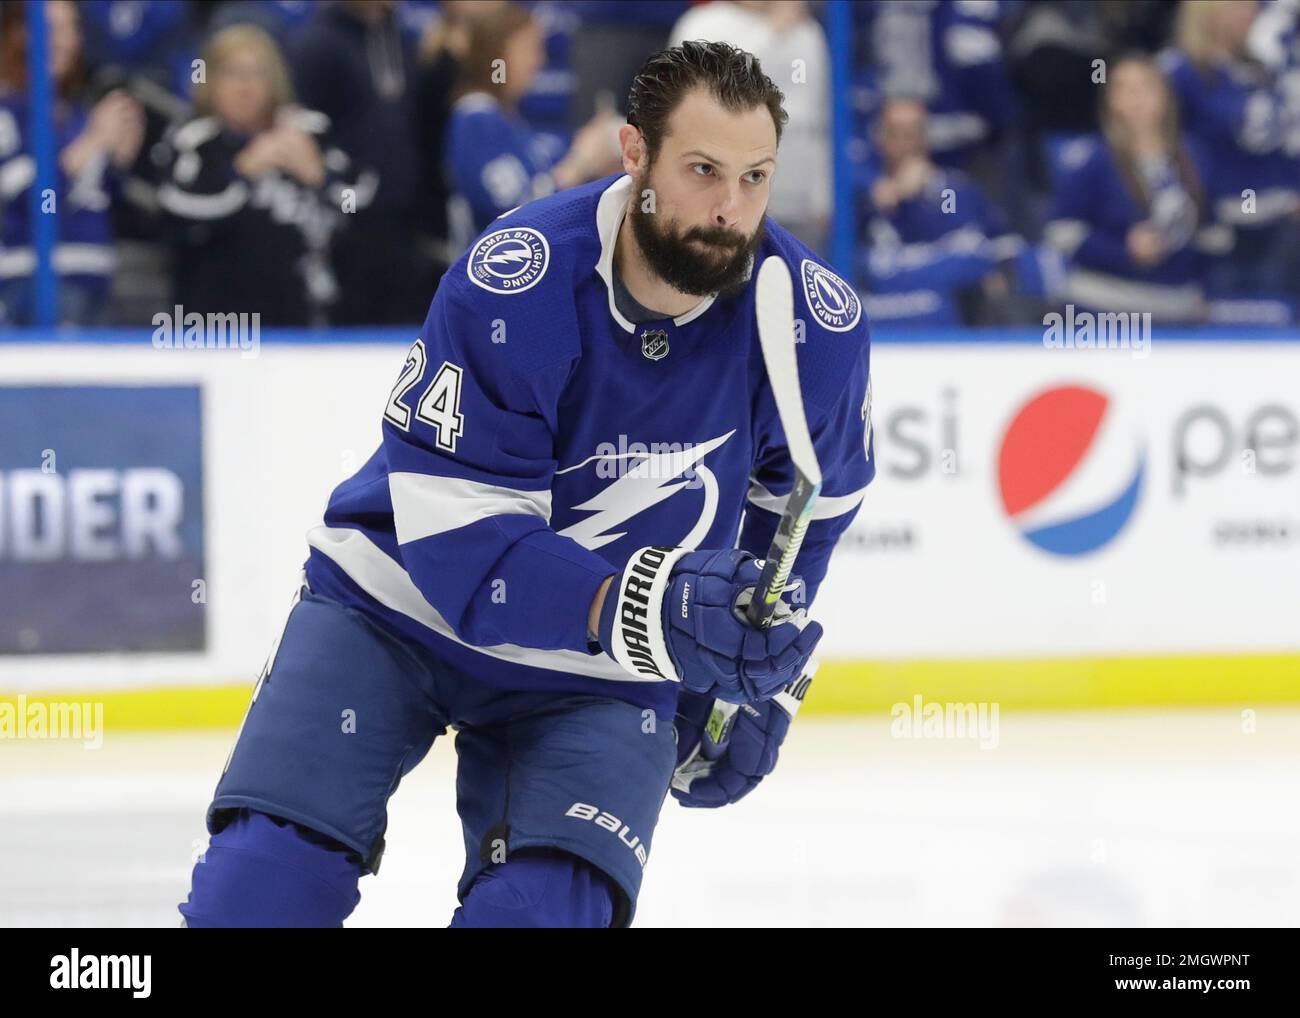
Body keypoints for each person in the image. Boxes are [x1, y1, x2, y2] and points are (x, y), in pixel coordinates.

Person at [179, 40, 874, 929]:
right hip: (397, 608)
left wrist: (752, 678)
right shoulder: (519, 280)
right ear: (635, 154)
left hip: (603, 669)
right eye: (703, 171)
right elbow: (463, 550)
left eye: (755, 178)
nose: (729, 209)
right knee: (258, 895)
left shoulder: (814, 326)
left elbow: (807, 518)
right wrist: (655, 610)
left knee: (540, 916)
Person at [157, 24, 358, 326]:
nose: (245, 86)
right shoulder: (193, 140)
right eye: (232, 73)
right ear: (210, 81)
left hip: (302, 314)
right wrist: (241, 171)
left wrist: (321, 178)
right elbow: (174, 210)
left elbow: (358, 206)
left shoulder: (310, 132)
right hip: (212, 318)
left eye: (256, 73)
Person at [1045, 54, 1229, 323]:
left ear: (1166, 96)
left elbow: (1214, 234)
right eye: (1124, 89)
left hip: (1178, 308)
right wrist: (1123, 251)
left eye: (1145, 87)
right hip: (1102, 308)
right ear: (1110, 100)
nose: (1136, 98)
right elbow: (1061, 234)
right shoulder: (1091, 159)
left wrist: (1206, 290)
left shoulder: (1196, 156)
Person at [0, 0, 143, 326]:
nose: (63, 40)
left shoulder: (78, 112)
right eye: (51, 28)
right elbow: (28, 199)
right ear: (18, 33)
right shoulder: (9, 112)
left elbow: (95, 205)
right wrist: (93, 142)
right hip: (35, 281)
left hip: (96, 280)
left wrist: (120, 161)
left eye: (71, 28)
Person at [444, 2, 622, 247]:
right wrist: (581, 162)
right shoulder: (476, 119)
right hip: (500, 265)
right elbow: (513, 214)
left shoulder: (509, 116)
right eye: (530, 49)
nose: (538, 61)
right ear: (498, 55)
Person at [1160, 0, 1300, 297]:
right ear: (1208, 11)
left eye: (1253, 6)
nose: (1252, 13)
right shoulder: (1179, 70)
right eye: (1240, 6)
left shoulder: (1262, 69)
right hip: (1217, 230)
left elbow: (1280, 143)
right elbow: (1164, 147)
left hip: (1280, 223)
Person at [861, 97, 1022, 327]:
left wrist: (912, 201)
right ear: (880, 137)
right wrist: (885, 203)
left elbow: (971, 253)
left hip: (952, 319)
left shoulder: (954, 190)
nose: (906, 142)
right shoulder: (861, 195)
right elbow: (864, 269)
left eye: (914, 132)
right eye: (896, 133)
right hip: (884, 315)